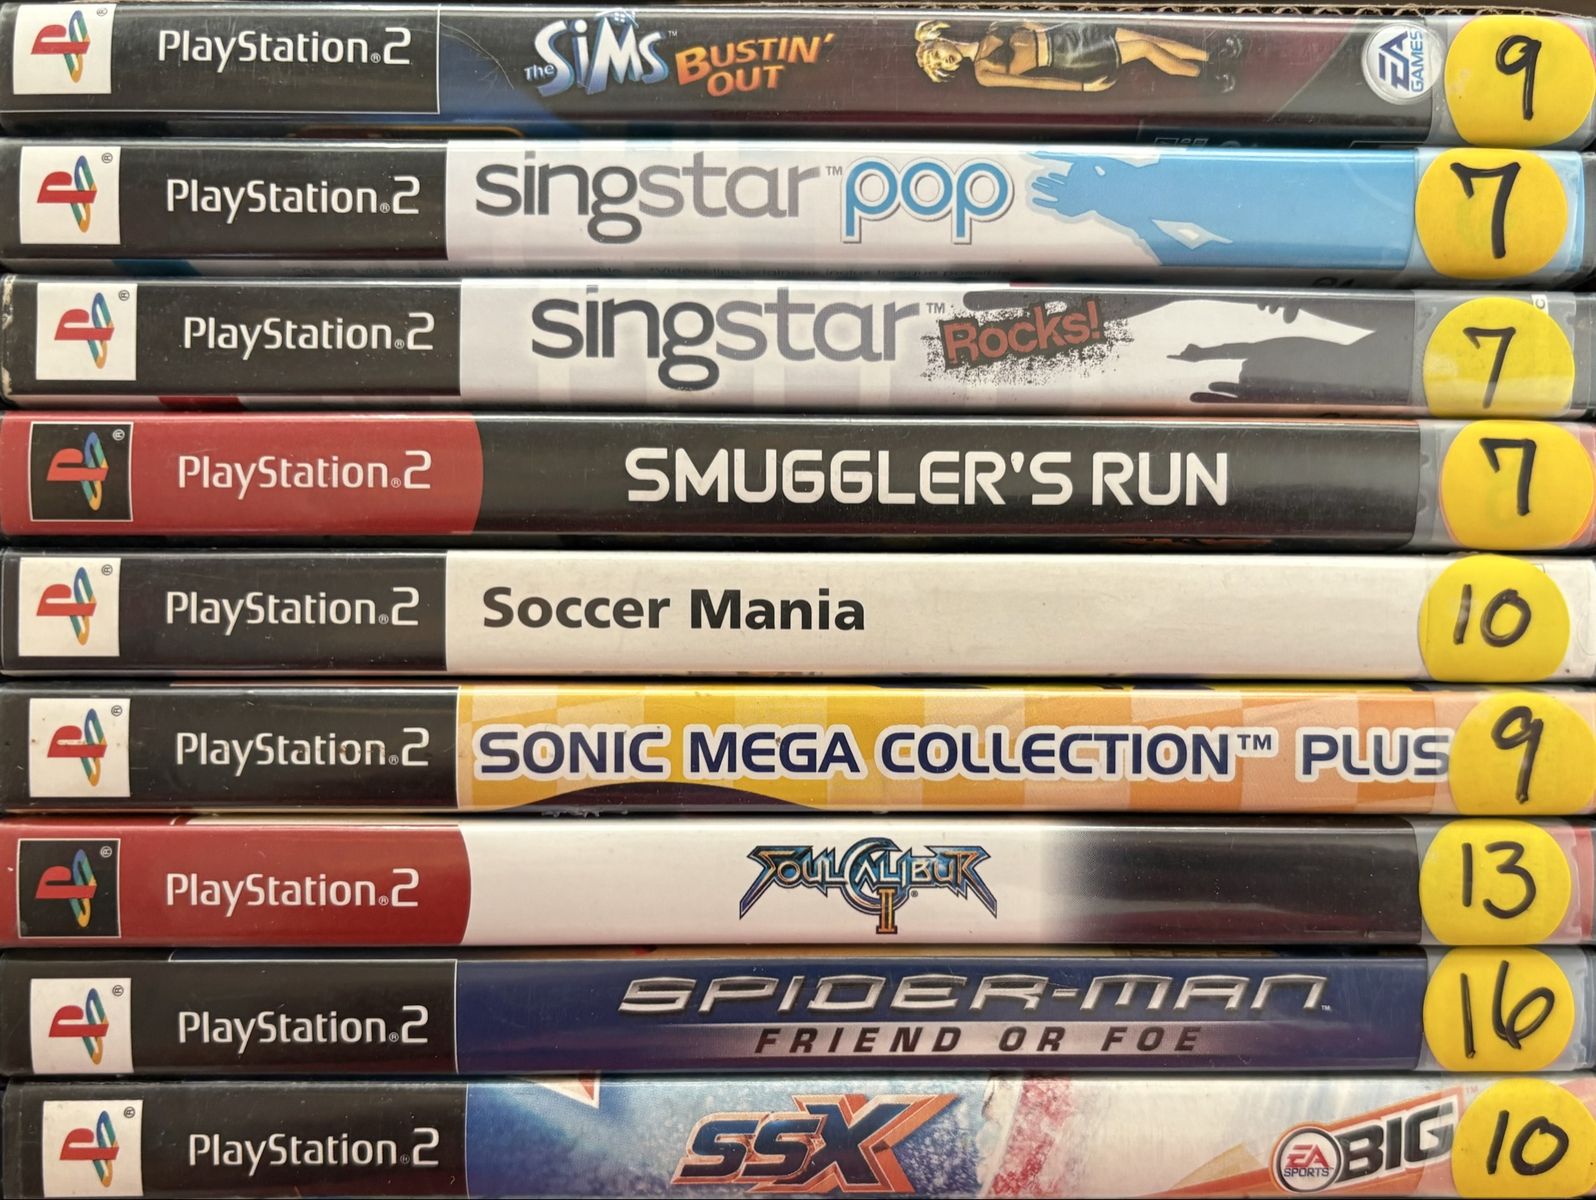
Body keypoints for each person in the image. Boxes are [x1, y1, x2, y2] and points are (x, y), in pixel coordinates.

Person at [915, 20, 1219, 92]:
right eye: (938, 66)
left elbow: (1034, 24)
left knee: (1147, 38)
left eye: (937, 54)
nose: (943, 62)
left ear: (940, 40)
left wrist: (1067, 24)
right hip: (1070, 55)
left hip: (1068, 33)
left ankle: (1211, 55)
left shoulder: (992, 26)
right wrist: (1084, 87)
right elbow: (1036, 83)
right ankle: (1205, 77)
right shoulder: (983, 73)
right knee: (1145, 49)